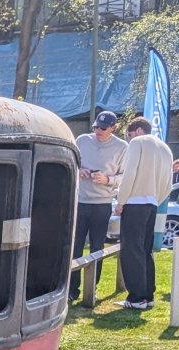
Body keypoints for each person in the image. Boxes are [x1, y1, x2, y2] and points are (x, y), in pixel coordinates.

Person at [114, 117, 174, 310]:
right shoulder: (165, 148)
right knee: (146, 250)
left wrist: (121, 200)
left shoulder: (137, 143)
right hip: (153, 202)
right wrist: (157, 197)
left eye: (129, 134)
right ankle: (148, 295)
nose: (129, 138)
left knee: (131, 250)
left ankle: (136, 297)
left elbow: (130, 172)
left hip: (134, 202)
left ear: (138, 131)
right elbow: (168, 181)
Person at [70, 111, 126, 304]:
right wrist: (80, 171)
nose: (98, 131)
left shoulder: (121, 147)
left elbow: (124, 176)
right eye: (96, 127)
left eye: (103, 128)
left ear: (113, 128)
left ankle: (91, 288)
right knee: (75, 245)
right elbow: (71, 163)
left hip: (102, 204)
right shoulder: (82, 140)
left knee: (97, 247)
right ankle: (72, 289)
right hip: (80, 201)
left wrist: (107, 179)